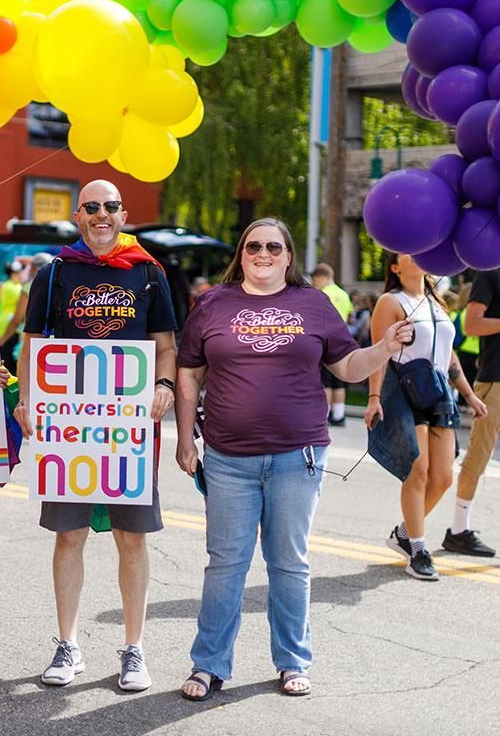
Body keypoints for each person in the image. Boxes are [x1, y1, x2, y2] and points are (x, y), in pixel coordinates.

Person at [174, 217, 413, 701]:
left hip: (297, 457)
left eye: (273, 247)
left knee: (289, 563)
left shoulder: (313, 304)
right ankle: (208, 665)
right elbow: (188, 376)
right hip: (227, 458)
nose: (263, 253)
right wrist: (184, 439)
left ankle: (291, 661)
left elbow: (345, 366)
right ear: (241, 254)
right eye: (253, 246)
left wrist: (384, 348)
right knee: (225, 564)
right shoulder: (213, 305)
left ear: (288, 257)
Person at [14, 180, 178, 693]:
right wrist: (25, 398)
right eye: (91, 207)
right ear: (78, 216)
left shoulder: (149, 272)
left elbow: (166, 346)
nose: (101, 215)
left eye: (110, 207)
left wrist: (165, 385)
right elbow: (32, 344)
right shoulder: (56, 272)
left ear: (123, 214)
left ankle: (134, 648)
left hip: (129, 429)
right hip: (71, 427)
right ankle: (67, 644)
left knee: (133, 537)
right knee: (69, 536)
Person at [365, 253, 487, 581]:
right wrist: (374, 397)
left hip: (440, 393)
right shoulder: (391, 302)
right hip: (405, 389)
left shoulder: (436, 302)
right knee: (418, 472)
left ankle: (405, 533)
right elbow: (379, 353)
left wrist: (470, 394)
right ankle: (418, 549)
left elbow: (449, 359)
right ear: (395, 267)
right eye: (407, 252)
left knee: (443, 477)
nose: (417, 254)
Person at [448, 252, 500, 557]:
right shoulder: (491, 271)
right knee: (478, 457)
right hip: (499, 380)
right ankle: (458, 530)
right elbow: (472, 326)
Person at [311, 263, 354, 426]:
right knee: (339, 381)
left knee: (325, 381)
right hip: (342, 338)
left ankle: (325, 415)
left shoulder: (322, 294)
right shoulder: (344, 294)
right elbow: (350, 315)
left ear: (321, 277)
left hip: (325, 338)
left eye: (315, 280)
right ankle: (339, 414)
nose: (315, 284)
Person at [0, 258, 27, 374]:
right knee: (7, 356)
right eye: (20, 272)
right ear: (14, 273)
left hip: (3, 321)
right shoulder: (14, 288)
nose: (22, 274)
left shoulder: (8, 285)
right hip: (9, 324)